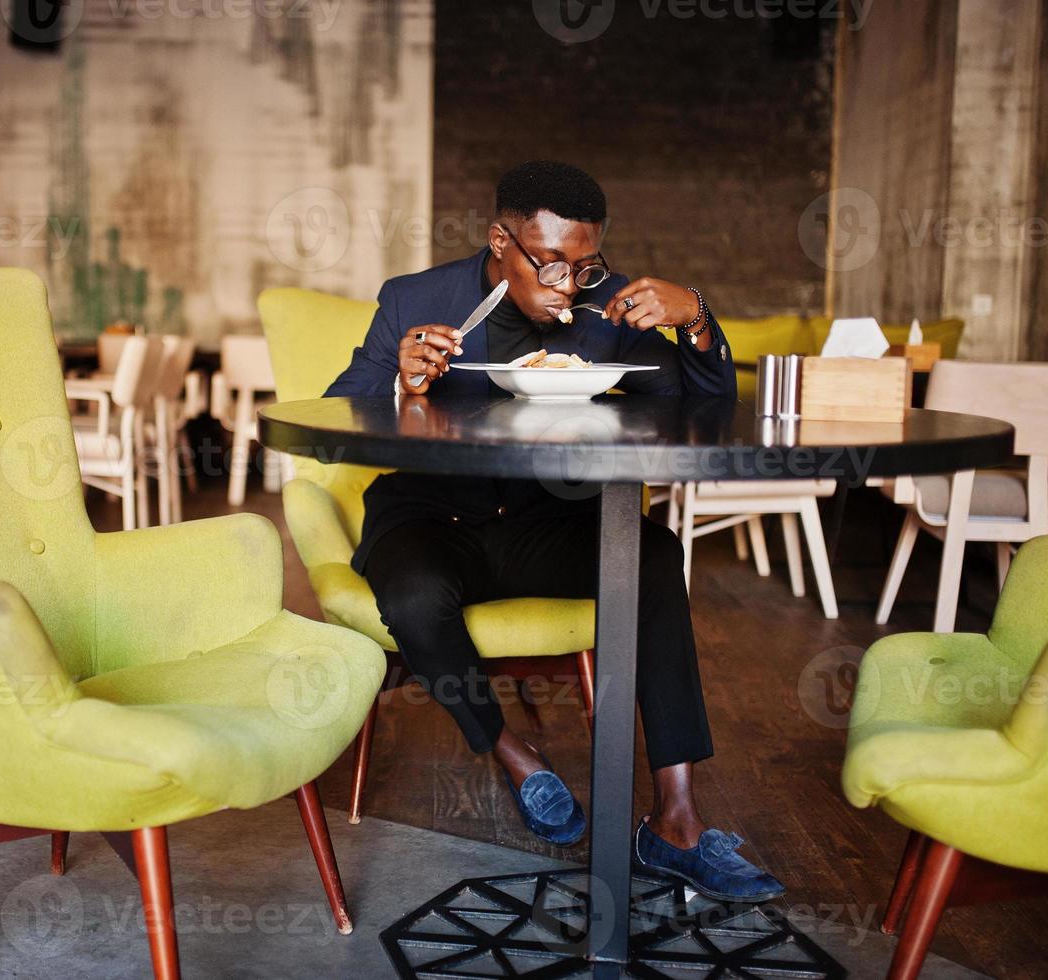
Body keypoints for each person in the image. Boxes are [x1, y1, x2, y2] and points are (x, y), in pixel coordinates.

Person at [324, 160, 783, 903]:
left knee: (653, 555)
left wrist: (694, 316)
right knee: (411, 593)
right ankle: (511, 751)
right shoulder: (416, 299)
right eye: (549, 264)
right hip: (432, 518)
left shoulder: (615, 307)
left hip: (550, 518)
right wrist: (398, 383)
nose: (570, 284)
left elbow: (703, 412)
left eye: (585, 264)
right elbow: (337, 418)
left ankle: (675, 822)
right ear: (498, 240)